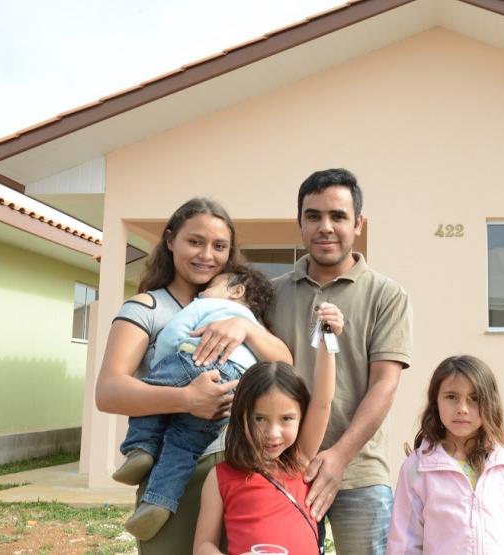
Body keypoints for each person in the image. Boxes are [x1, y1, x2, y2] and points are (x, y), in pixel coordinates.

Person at [96, 198, 292, 554]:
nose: (207, 255)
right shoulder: (147, 308)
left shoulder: (240, 310)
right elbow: (109, 391)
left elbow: (284, 365)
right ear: (171, 240)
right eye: (195, 242)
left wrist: (245, 328)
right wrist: (186, 399)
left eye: (219, 246)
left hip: (241, 468)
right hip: (176, 471)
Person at [268, 168, 412, 554]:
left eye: (338, 216)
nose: (325, 227)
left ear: (358, 224)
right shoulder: (271, 294)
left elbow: (385, 384)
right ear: (300, 223)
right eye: (313, 216)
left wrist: (339, 456)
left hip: (360, 472)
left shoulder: (387, 295)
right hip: (283, 466)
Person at [114, 265, 277, 541]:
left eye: (211, 286)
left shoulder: (209, 306)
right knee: (184, 446)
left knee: (151, 389)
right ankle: (158, 502)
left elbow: (172, 333)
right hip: (231, 389)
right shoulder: (255, 326)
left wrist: (162, 362)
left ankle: (141, 448)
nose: (202, 292)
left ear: (236, 291)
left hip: (195, 360)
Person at [193, 303, 342, 555]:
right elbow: (203, 546)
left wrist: (327, 339)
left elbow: (322, 401)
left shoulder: (300, 461)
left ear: (301, 417)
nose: (273, 433)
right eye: (260, 419)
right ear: (241, 416)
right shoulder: (219, 477)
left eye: (286, 419)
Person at [385, 355, 504, 555]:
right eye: (451, 397)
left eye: (474, 399)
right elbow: (403, 542)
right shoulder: (417, 468)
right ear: (435, 401)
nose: (462, 409)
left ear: (490, 403)